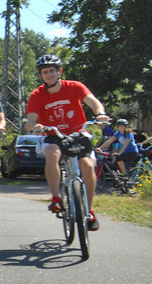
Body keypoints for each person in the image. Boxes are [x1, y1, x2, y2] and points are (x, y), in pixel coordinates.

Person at [25, 54, 110, 231]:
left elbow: (93, 102)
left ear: (59, 72)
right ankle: (56, 198)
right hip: (54, 134)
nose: (49, 75)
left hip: (78, 133)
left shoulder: (75, 87)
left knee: (87, 166)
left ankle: (89, 209)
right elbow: (30, 120)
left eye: (52, 71)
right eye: (45, 72)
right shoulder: (37, 95)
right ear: (41, 75)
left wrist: (100, 114)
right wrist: (35, 126)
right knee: (51, 153)